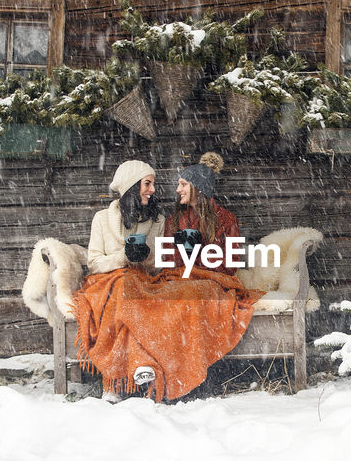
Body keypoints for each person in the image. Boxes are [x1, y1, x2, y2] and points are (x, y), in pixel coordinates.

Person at [73, 153, 263, 402]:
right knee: (127, 290)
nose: (164, 190)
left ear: (198, 188)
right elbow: (159, 263)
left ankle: (165, 369)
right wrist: (129, 256)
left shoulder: (213, 220)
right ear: (132, 185)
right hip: (132, 279)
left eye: (183, 184)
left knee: (159, 294)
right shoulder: (171, 219)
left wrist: (195, 251)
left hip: (168, 279)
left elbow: (229, 261)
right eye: (147, 184)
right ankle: (130, 371)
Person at [163, 151, 241, 273]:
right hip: (180, 279)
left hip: (212, 281)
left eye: (183, 184)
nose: (178, 190)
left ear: (199, 188)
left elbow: (231, 264)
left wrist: (198, 255)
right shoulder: (173, 221)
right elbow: (168, 262)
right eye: (178, 185)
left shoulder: (228, 219)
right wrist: (180, 250)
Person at [87, 159, 161, 274]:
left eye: (153, 184)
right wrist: (124, 256)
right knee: (122, 286)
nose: (153, 189)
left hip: (143, 283)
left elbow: (158, 267)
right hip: (109, 282)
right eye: (147, 183)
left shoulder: (158, 220)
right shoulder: (101, 218)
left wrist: (146, 256)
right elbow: (94, 266)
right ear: (131, 187)